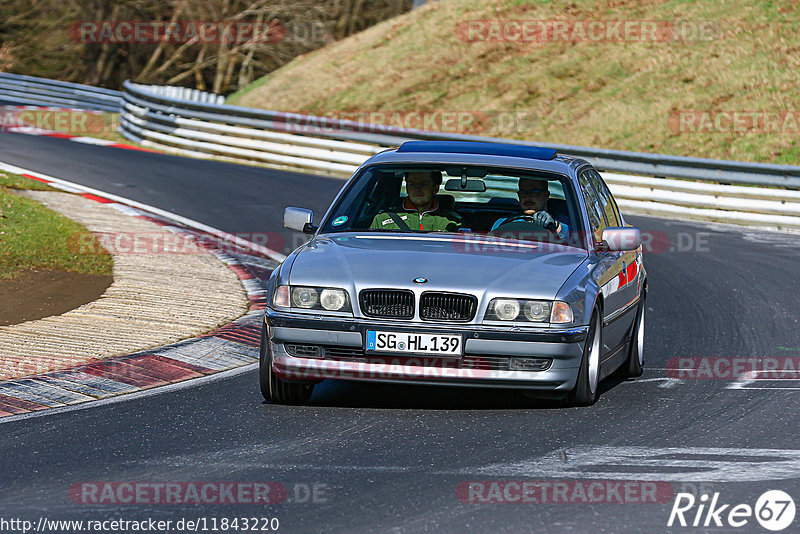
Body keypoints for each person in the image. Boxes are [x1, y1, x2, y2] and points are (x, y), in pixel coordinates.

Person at [370, 171, 462, 232]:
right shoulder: (382, 219)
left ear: (435, 188)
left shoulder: (453, 222)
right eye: (412, 184)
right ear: (407, 188)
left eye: (424, 184)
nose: (417, 189)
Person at [491, 177, 569, 240]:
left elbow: (573, 240)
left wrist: (555, 226)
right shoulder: (502, 222)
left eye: (534, 193)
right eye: (523, 193)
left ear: (546, 195)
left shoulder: (565, 222)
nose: (528, 198)